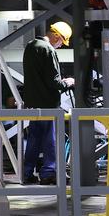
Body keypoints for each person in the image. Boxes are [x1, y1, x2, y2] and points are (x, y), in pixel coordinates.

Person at [22, 20, 74, 185]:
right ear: (57, 37)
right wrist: (68, 82)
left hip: (33, 103)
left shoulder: (31, 46)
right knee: (51, 140)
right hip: (48, 104)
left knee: (34, 140)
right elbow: (54, 82)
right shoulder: (48, 50)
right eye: (62, 42)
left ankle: (27, 172)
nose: (60, 46)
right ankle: (48, 173)